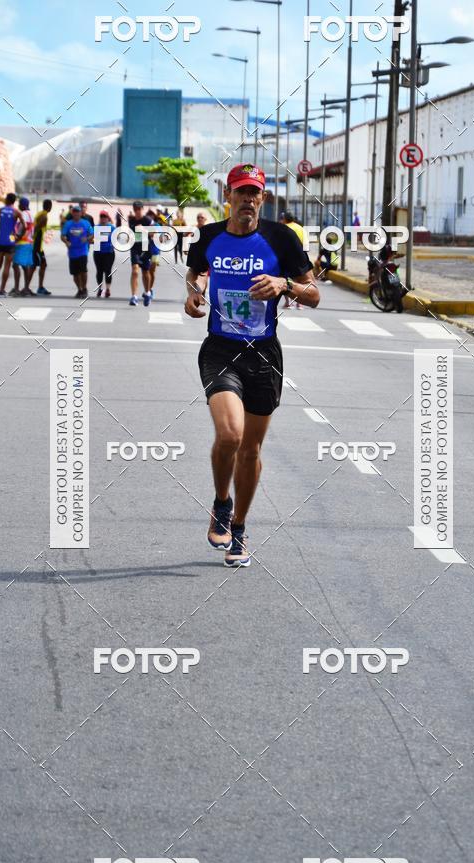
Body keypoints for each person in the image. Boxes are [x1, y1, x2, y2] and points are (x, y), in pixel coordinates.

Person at [185, 163, 319, 567]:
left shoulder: (281, 239)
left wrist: (285, 285)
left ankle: (239, 527)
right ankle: (221, 503)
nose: (248, 199)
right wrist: (193, 294)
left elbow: (313, 293)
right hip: (220, 349)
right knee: (230, 435)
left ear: (263, 198)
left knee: (251, 449)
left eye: (255, 193)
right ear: (228, 195)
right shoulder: (208, 237)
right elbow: (195, 275)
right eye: (241, 192)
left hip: (264, 354)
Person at [0, 193, 24, 297]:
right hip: (10, 239)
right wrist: (19, 236)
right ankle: (1, 290)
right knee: (7, 266)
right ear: (14, 201)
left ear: (6, 200)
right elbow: (25, 226)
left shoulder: (0, 210)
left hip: (1, 239)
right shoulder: (16, 212)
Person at [61, 204, 94, 298]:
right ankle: (79, 289)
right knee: (75, 274)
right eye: (74, 212)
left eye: (77, 212)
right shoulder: (68, 224)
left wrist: (87, 239)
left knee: (83, 271)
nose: (76, 214)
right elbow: (62, 235)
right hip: (72, 252)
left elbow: (92, 234)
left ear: (80, 213)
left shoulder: (86, 223)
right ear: (72, 213)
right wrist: (66, 242)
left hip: (83, 250)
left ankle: (84, 288)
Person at [128, 200, 155, 306]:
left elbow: (154, 233)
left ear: (142, 209)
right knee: (135, 271)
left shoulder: (148, 220)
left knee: (145, 272)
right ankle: (134, 296)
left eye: (139, 209)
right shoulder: (131, 220)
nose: (137, 211)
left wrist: (144, 230)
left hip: (146, 248)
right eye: (135, 209)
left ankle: (147, 292)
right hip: (135, 247)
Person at [11, 197, 35, 297]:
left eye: (19, 204)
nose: (18, 206)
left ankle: (16, 288)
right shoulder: (31, 214)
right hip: (29, 243)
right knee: (25, 266)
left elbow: (23, 227)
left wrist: (17, 237)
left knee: (15, 265)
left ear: (23, 205)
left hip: (22, 243)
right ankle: (26, 288)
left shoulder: (23, 214)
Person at [281, 211, 305, 308]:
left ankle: (288, 302)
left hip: (287, 256)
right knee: (299, 280)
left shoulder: (284, 228)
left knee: (285, 279)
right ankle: (299, 303)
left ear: (285, 219)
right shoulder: (301, 228)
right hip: (300, 255)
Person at [93, 210, 115, 297]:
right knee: (99, 271)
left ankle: (108, 289)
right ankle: (100, 289)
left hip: (109, 252)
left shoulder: (112, 227)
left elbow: (116, 238)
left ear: (107, 218)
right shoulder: (96, 227)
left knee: (108, 271)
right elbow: (91, 237)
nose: (103, 219)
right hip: (98, 252)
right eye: (101, 217)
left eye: (104, 217)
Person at [33, 199, 53, 295]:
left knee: (40, 265)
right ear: (49, 207)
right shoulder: (44, 216)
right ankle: (37, 287)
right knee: (37, 266)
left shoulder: (40, 213)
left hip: (37, 245)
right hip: (37, 246)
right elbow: (36, 228)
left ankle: (38, 287)